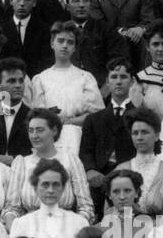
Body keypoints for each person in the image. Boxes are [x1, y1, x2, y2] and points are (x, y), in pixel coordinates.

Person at [2, 109, 95, 225]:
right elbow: (11, 208)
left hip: (65, 227)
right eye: (31, 131)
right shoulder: (22, 163)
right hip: (30, 229)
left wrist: (73, 229)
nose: (34, 136)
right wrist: (15, 230)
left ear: (54, 130)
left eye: (40, 130)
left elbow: (86, 207)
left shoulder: (70, 160)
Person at [28, 21, 105, 155]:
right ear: (52, 44)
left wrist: (69, 121)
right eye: (61, 41)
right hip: (49, 137)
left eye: (70, 42)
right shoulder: (40, 79)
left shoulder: (85, 77)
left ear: (75, 47)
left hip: (79, 136)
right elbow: (37, 115)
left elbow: (97, 115)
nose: (65, 45)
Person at [80, 57, 139, 209]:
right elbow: (86, 150)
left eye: (124, 77)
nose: (118, 81)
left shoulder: (141, 116)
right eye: (114, 77)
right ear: (107, 81)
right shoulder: (93, 119)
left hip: (129, 177)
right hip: (99, 177)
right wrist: (91, 169)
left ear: (132, 81)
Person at [115, 107, 163, 218]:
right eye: (135, 133)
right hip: (126, 230)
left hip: (160, 231)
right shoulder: (120, 170)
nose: (139, 137)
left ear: (157, 135)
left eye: (144, 132)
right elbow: (110, 211)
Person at [95, 168, 150, 238]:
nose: (122, 197)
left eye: (127, 191)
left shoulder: (149, 227)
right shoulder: (97, 231)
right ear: (109, 195)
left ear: (136, 193)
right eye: (116, 192)